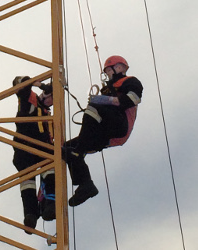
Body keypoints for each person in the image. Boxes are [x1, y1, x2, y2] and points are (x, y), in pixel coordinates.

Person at [64, 55, 143, 207]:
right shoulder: (108, 89)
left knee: (92, 109)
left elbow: (131, 100)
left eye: (109, 70)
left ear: (119, 67)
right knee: (68, 149)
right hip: (107, 131)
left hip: (120, 126)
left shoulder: (130, 82)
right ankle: (86, 185)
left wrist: (104, 100)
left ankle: (79, 151)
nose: (108, 74)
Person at [12, 76, 55, 234]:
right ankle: (30, 214)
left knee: (50, 170)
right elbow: (18, 82)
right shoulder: (30, 98)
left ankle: (50, 204)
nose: (51, 101)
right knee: (27, 181)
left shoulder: (48, 115)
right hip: (24, 145)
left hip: (42, 147)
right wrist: (41, 84)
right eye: (51, 97)